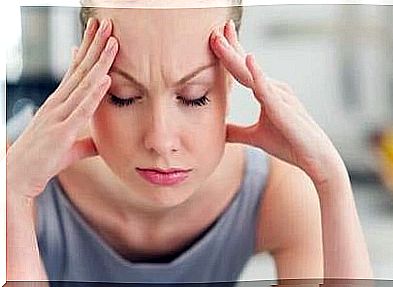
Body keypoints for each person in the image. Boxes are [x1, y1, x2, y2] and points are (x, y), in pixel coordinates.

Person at [6, 0, 373, 285]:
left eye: (195, 96)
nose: (161, 142)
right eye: (124, 96)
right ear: (81, 73)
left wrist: (331, 181)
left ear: (231, 79)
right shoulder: (15, 176)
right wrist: (14, 197)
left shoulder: (275, 192)